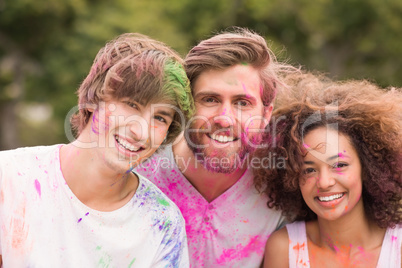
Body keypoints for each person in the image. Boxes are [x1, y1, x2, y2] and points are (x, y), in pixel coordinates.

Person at [0, 33, 195, 267]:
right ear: (94, 100)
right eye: (132, 104)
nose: (141, 132)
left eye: (160, 118)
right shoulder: (9, 179)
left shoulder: (162, 224)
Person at [135, 27, 296, 267]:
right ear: (185, 104)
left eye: (242, 103)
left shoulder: (284, 187)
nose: (225, 118)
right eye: (210, 99)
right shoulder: (138, 176)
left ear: (266, 113)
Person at [253, 72, 402, 267]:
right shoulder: (284, 249)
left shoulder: (398, 249)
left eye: (339, 165)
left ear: (368, 169)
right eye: (308, 170)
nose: (324, 182)